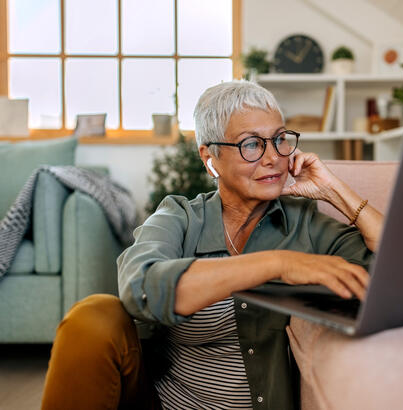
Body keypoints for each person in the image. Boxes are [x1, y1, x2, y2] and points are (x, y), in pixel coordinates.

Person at [41, 80, 383, 410]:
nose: (273, 158)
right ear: (210, 158)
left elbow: (396, 271)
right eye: (251, 144)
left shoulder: (304, 223)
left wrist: (334, 190)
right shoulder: (180, 217)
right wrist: (277, 264)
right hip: (163, 403)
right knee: (93, 315)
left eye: (280, 139)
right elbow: (141, 287)